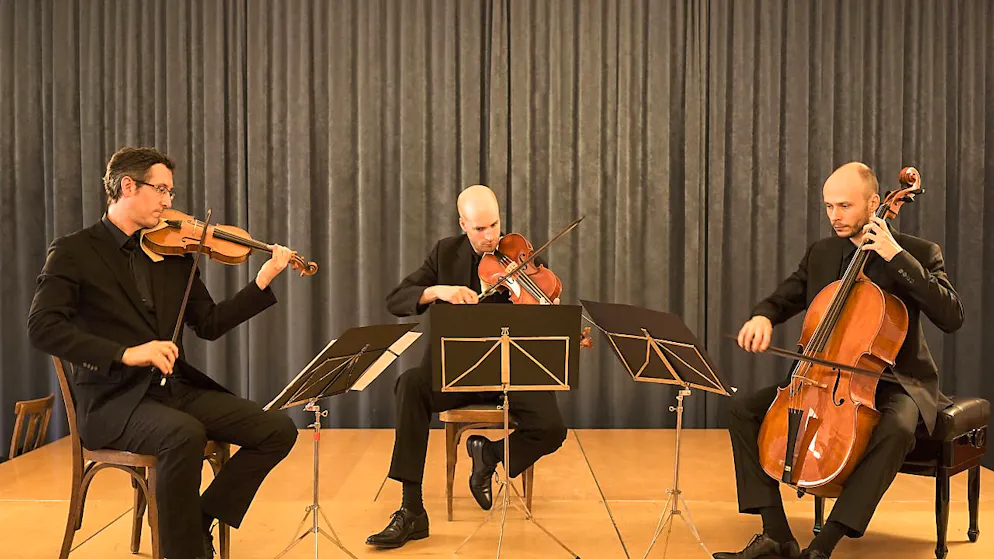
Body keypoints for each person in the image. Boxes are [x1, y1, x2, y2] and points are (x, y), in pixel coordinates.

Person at [27, 147, 299, 559]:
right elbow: (42, 327)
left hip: (171, 391)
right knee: (183, 433)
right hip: (111, 401)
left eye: (171, 192)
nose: (170, 202)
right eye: (162, 190)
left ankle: (196, 520)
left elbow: (208, 324)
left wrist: (261, 283)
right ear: (128, 186)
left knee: (277, 429)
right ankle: (184, 550)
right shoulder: (74, 251)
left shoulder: (173, 255)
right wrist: (124, 353)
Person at [713, 162, 965, 559]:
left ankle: (824, 545)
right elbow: (788, 295)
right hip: (826, 378)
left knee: (898, 428)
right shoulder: (823, 252)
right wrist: (763, 315)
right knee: (742, 408)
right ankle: (776, 535)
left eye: (844, 206)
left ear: (875, 203)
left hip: (897, 381)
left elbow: (952, 316)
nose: (834, 216)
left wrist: (896, 256)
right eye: (828, 206)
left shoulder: (916, 252)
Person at [365, 184, 568, 549]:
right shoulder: (445, 253)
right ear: (463, 224)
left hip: (512, 372)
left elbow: (546, 313)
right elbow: (396, 299)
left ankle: (489, 454)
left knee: (552, 428)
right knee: (409, 384)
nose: (490, 236)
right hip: (456, 371)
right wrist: (438, 291)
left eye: (494, 225)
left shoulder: (522, 256)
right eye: (479, 229)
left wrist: (550, 313)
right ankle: (411, 511)